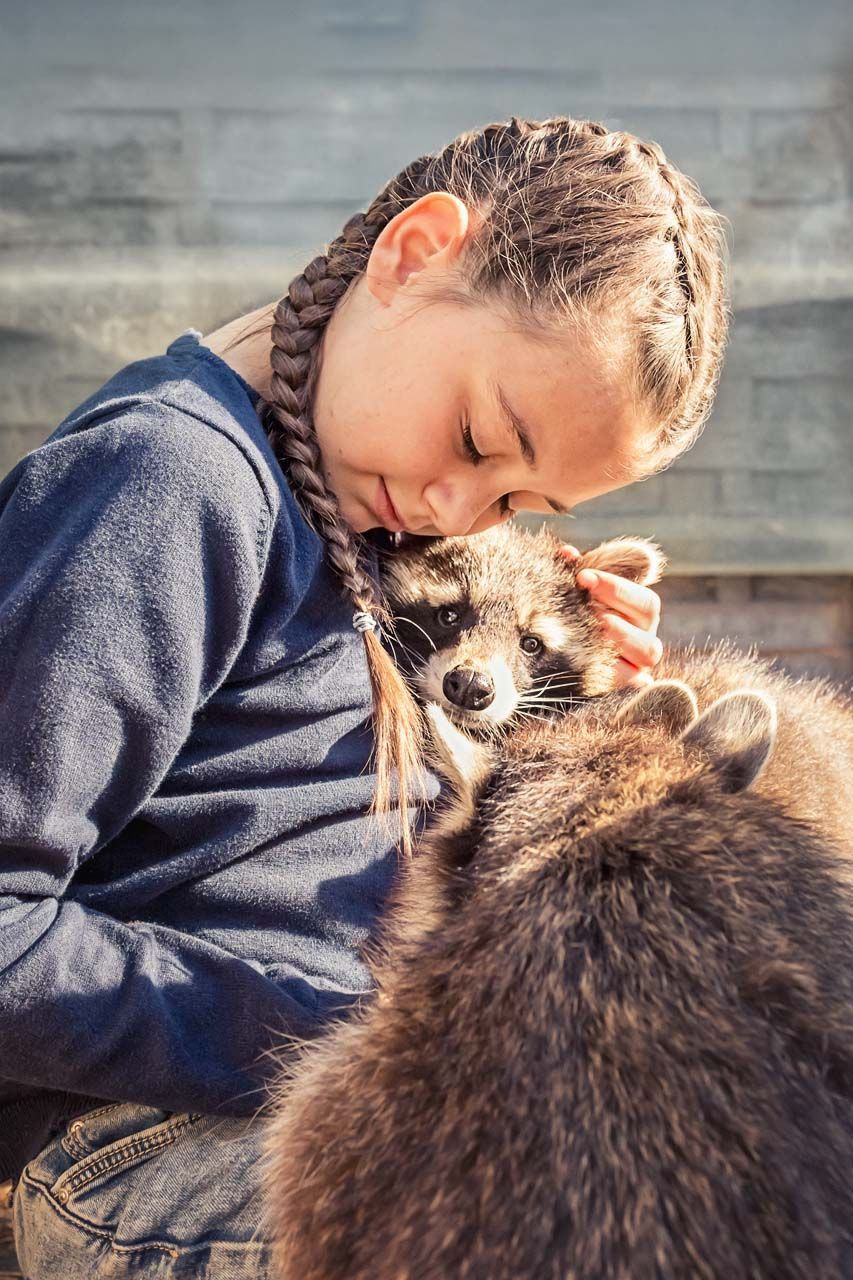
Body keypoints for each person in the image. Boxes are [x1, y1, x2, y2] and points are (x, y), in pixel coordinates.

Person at [4, 116, 727, 1277]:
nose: (457, 507)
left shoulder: (361, 512)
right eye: (482, 436)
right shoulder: (168, 484)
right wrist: (333, 1020)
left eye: (521, 504)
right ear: (413, 253)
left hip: (361, 1104)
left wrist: (578, 707)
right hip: (146, 1144)